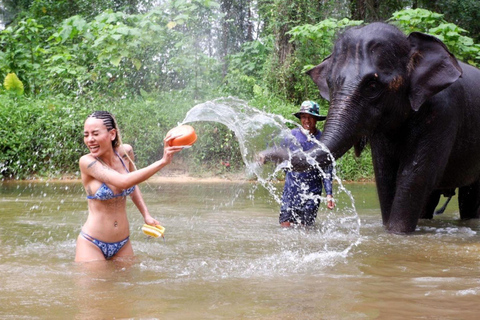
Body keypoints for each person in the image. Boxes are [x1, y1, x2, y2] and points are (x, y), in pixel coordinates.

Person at [75, 111, 183, 262]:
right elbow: (123, 181)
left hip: (123, 243)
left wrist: (146, 215)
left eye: (95, 134)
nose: (90, 140)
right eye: (86, 135)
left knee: (129, 285)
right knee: (96, 286)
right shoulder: (87, 162)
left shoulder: (126, 153)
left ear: (112, 134)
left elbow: (132, 183)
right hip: (92, 243)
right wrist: (163, 162)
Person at [259, 101, 335, 227]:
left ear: (316, 119)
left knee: (306, 230)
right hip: (291, 190)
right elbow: (279, 153)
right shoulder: (291, 135)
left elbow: (327, 169)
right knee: (285, 225)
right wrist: (266, 157)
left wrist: (329, 194)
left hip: (312, 192)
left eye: (310, 117)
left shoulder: (322, 139)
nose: (307, 120)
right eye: (304, 117)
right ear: (300, 118)